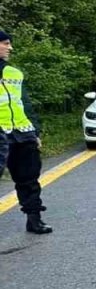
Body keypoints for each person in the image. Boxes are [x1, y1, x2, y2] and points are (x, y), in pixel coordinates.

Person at [0, 29, 52, 234]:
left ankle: (34, 219)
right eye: (5, 43)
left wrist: (35, 131)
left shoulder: (14, 72)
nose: (10, 47)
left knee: (29, 178)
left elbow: (25, 103)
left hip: (22, 131)